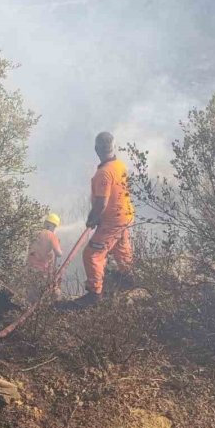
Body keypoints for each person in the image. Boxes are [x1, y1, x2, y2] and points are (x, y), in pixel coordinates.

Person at [63, 131, 134, 310]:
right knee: (120, 246)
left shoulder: (103, 173)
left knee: (92, 254)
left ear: (97, 149)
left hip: (112, 221)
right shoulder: (119, 165)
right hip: (125, 216)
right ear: (113, 146)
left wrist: (92, 218)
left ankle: (94, 294)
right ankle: (128, 278)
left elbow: (102, 202)